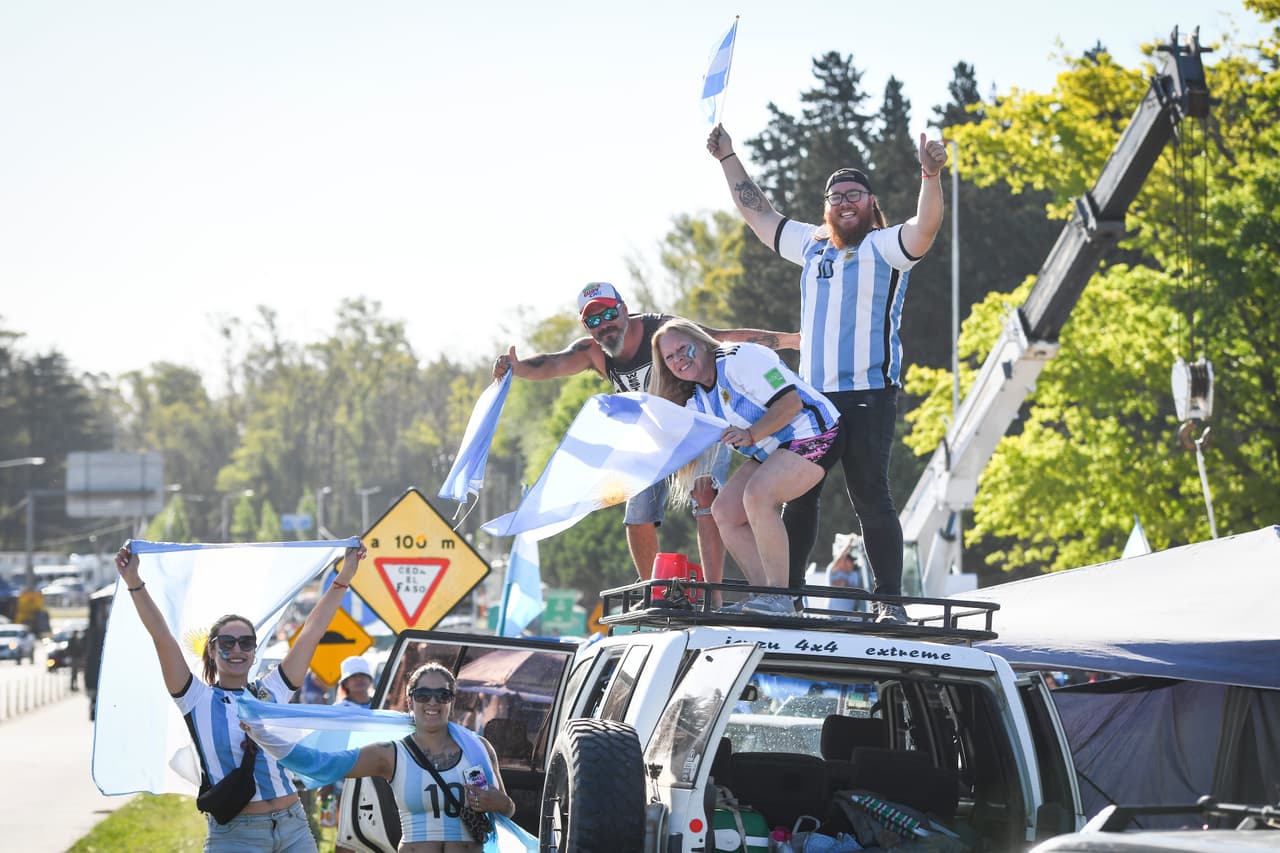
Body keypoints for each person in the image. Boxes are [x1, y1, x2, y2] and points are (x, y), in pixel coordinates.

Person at [707, 124, 949, 623]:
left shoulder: (885, 246)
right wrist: (728, 156)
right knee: (798, 499)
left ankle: (889, 603)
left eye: (854, 194)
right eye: (835, 196)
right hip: (812, 399)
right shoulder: (812, 245)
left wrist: (930, 174)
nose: (844, 202)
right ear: (826, 205)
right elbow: (759, 213)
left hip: (867, 395)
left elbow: (925, 227)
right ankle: (787, 597)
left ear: (871, 202)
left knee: (870, 496)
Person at [493, 281, 799, 585]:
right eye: (594, 322)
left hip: (692, 425)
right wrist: (516, 369)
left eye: (609, 315)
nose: (605, 327)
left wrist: (790, 340)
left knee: (705, 498)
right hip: (651, 437)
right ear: (586, 327)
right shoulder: (593, 352)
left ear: (624, 310)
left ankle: (712, 593)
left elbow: (720, 338)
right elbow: (551, 363)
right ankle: (653, 589)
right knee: (637, 513)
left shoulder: (662, 331)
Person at [114, 540, 366, 852]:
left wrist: (345, 575)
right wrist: (134, 582)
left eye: (246, 643)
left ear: (254, 650)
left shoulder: (272, 690)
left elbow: (312, 631)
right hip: (237, 835)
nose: (237, 650)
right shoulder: (196, 699)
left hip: (294, 827)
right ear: (212, 649)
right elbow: (162, 637)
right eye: (227, 643)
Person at [649, 319, 844, 615]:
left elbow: (791, 403)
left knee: (757, 495)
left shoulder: (740, 358)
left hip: (817, 431)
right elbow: (668, 437)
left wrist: (750, 435)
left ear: (702, 343)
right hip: (776, 449)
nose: (679, 360)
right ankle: (764, 594)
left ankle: (780, 598)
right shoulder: (698, 400)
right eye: (670, 357)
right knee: (724, 511)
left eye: (683, 349)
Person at [246, 661, 515, 852]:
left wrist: (501, 802)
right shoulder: (391, 753)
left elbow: (508, 811)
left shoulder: (478, 748)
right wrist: (264, 735)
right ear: (410, 701)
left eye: (442, 695)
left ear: (451, 700)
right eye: (423, 695)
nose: (432, 702)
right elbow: (323, 763)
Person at [326, 656, 374, 853]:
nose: (359, 680)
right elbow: (330, 746)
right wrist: (327, 781)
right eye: (354, 676)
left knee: (375, 829)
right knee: (346, 832)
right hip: (345, 780)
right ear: (346, 681)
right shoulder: (337, 711)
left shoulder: (382, 704)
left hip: (376, 778)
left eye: (363, 675)